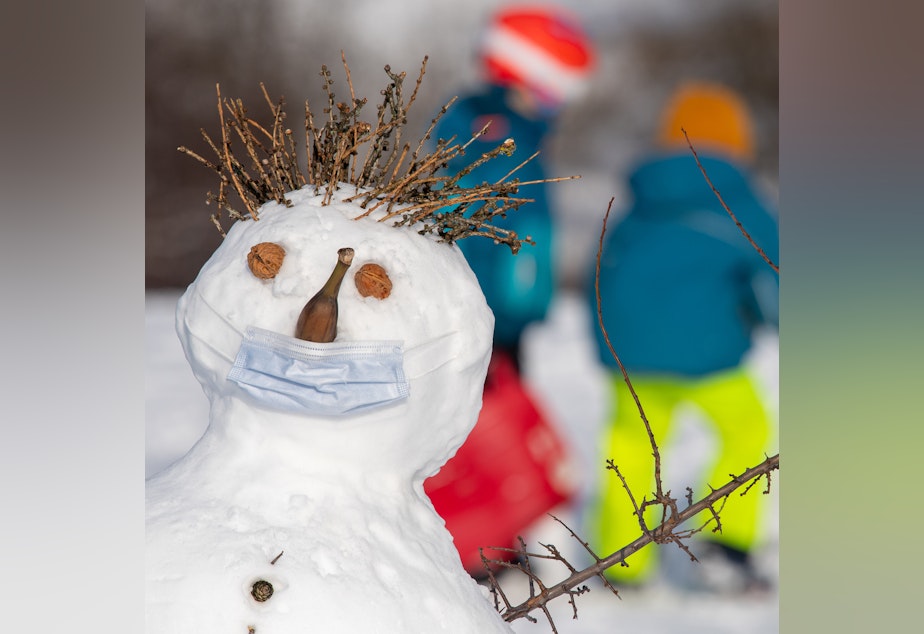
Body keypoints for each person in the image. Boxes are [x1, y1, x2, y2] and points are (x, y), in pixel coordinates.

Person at [423, 4, 595, 577]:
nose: (561, 104)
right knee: (474, 428)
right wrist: (476, 305)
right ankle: (472, 541)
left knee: (502, 424)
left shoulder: (516, 129)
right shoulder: (485, 129)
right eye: (556, 88)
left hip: (510, 314)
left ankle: (498, 528)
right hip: (485, 312)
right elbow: (468, 220)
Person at [587, 81, 779, 592]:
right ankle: (727, 544)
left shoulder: (643, 195)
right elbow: (774, 271)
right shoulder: (735, 194)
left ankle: (620, 562)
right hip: (708, 353)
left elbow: (603, 268)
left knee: (629, 446)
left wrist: (603, 345)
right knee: (746, 429)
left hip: (632, 354)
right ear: (738, 140)